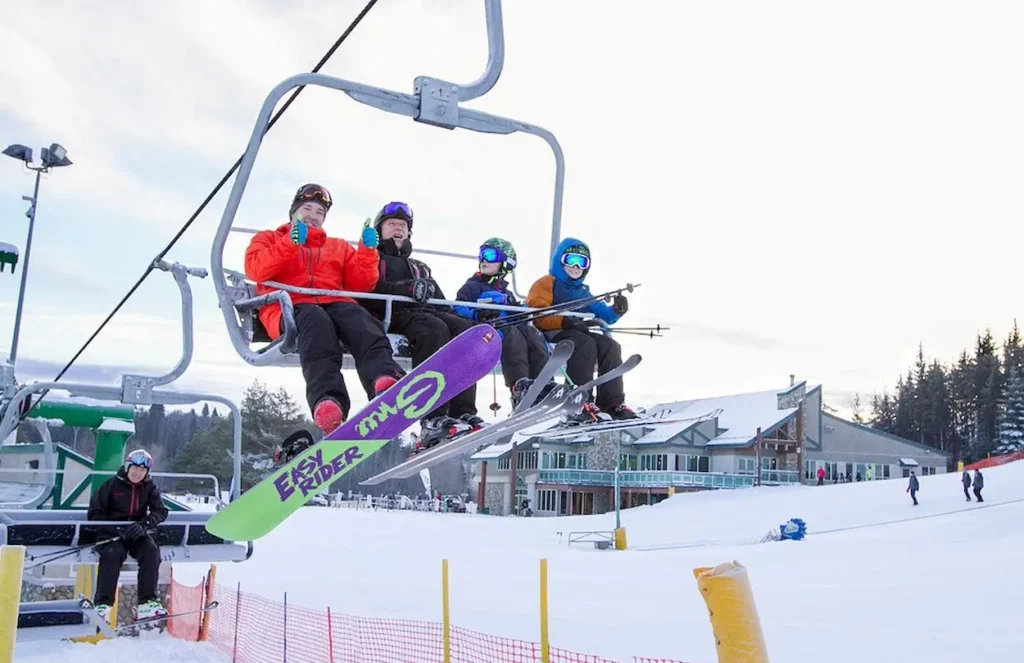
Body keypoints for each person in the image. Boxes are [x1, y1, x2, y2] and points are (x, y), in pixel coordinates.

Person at [245, 184, 406, 441]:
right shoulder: (269, 239)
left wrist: (366, 252)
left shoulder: (337, 247)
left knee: (360, 320)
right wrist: (289, 244)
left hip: (333, 301)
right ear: (294, 212)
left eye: (319, 211)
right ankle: (328, 401)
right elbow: (256, 270)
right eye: (307, 208)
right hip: (290, 305)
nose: (313, 215)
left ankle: (383, 377)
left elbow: (361, 283)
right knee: (316, 323)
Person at [358, 201, 485, 449]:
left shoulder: (420, 267)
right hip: (392, 313)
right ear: (380, 229)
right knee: (433, 330)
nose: (397, 229)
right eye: (392, 224)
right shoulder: (373, 260)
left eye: (402, 226)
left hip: (426, 312)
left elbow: (439, 302)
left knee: (463, 330)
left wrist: (462, 317)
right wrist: (407, 290)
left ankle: (463, 411)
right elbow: (366, 290)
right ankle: (433, 417)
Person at [525, 237, 638, 424]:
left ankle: (611, 403)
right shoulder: (546, 283)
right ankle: (577, 400)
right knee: (585, 344)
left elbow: (601, 313)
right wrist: (564, 321)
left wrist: (616, 311)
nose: (576, 266)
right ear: (559, 261)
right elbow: (538, 313)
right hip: (552, 332)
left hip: (575, 332)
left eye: (582, 262)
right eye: (570, 260)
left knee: (610, 345)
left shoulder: (582, 291)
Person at [452, 238, 556, 409]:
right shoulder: (472, 287)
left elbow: (516, 317)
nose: (484, 260)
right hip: (488, 331)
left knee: (532, 334)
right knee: (511, 332)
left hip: (507, 331)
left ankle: (542, 383)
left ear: (506, 263)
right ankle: (518, 384)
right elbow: (458, 308)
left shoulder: (506, 293)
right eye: (482, 255)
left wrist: (517, 309)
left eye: (491, 255)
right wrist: (479, 311)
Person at [86, 449, 169, 622]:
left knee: (151, 551)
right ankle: (103, 603)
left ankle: (147, 602)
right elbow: (95, 513)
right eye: (135, 468)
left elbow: (160, 511)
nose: (138, 473)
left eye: (142, 470)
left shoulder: (149, 487)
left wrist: (145, 524)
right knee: (112, 554)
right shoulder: (111, 485)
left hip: (136, 532)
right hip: (112, 533)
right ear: (128, 466)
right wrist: (114, 528)